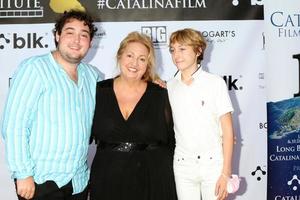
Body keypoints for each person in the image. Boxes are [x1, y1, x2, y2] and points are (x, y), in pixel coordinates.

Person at [1, 10, 100, 200]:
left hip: (78, 181)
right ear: (57, 35)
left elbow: (120, 92)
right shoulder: (34, 68)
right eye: (70, 32)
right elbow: (14, 125)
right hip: (40, 181)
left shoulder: (91, 76)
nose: (76, 40)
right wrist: (22, 174)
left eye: (84, 35)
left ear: (90, 42)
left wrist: (152, 82)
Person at [89, 31, 177, 200]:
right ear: (119, 56)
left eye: (142, 59)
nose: (134, 63)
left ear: (147, 64)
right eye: (130, 55)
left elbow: (174, 139)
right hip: (107, 178)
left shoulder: (160, 95)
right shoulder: (98, 91)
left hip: (153, 179)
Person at [167, 28, 235, 200]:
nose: (176, 55)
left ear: (198, 50)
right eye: (173, 50)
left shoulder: (215, 83)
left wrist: (225, 173)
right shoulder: (169, 87)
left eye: (182, 49)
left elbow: (228, 132)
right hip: (183, 166)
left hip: (213, 165)